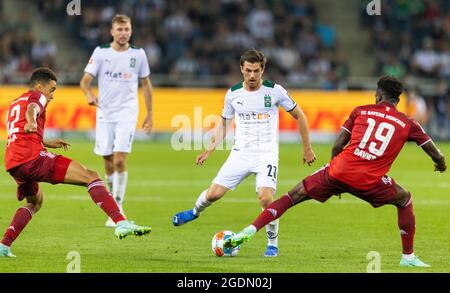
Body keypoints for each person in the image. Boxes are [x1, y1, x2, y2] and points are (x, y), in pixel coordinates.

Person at [224, 76, 446, 267]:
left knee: (291, 197)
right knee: (404, 200)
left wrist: (334, 177)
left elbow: (337, 145)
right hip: (370, 180)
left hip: (338, 171)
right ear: (398, 100)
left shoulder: (361, 110)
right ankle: (408, 257)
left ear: (377, 95)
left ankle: (250, 231)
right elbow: (437, 154)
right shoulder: (408, 123)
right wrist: (441, 164)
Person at [172, 49, 316, 257]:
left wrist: (307, 148)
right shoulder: (233, 94)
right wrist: (209, 149)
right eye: (248, 70)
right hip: (240, 153)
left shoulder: (275, 91)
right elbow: (224, 124)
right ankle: (194, 211)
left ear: (262, 70)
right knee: (214, 194)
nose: (252, 76)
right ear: (241, 69)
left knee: (266, 198)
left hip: (266, 154)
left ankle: (272, 243)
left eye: (256, 71)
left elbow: (300, 116)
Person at [0, 68, 151, 258]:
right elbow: (32, 110)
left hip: (14, 163)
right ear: (39, 86)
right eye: (52, 89)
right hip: (32, 158)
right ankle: (121, 222)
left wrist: (44, 141)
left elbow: (20, 131)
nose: (52, 95)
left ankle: (4, 246)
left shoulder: (15, 102)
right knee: (91, 176)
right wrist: (31, 122)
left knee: (34, 202)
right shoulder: (37, 97)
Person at [80, 14, 153, 227]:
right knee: (107, 160)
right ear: (112, 32)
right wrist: (89, 95)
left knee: (120, 160)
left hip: (127, 113)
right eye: (119, 29)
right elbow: (85, 81)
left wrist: (150, 114)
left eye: (127, 29)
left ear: (131, 31)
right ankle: (113, 201)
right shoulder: (101, 52)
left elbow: (146, 84)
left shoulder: (138, 54)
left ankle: (118, 207)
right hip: (105, 113)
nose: (123, 33)